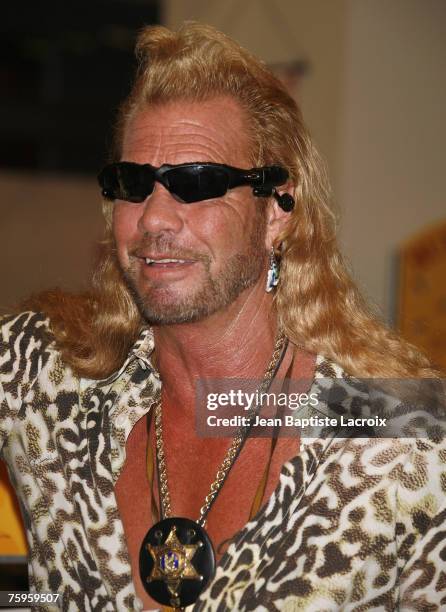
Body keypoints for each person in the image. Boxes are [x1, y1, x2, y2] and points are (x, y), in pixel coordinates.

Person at [1, 22, 445, 612]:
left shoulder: (400, 442)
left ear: (277, 211)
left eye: (198, 183)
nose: (154, 217)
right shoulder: (45, 380)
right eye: (135, 184)